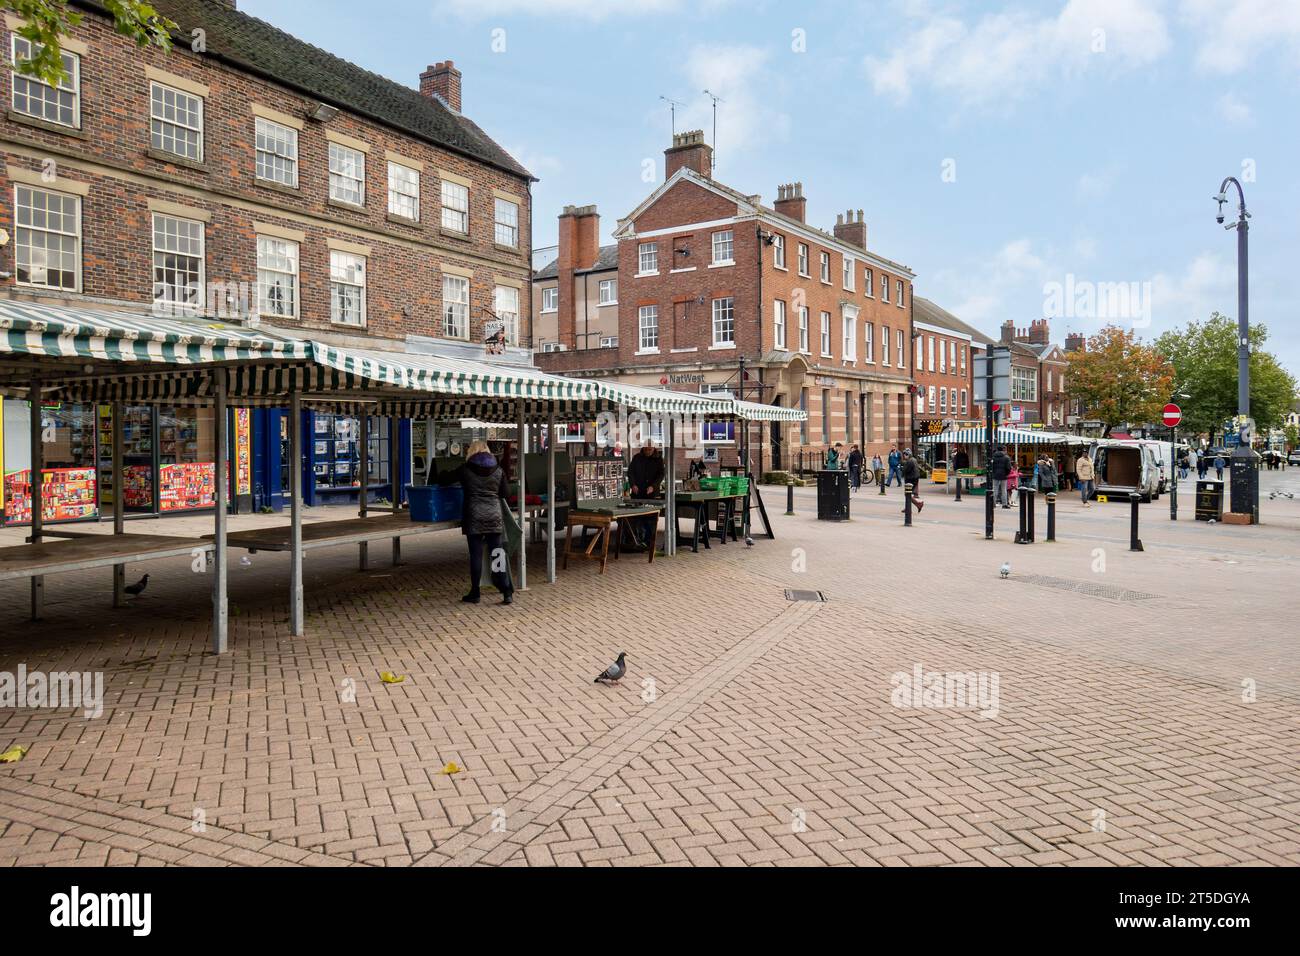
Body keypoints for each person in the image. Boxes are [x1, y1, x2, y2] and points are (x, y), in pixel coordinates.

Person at [440, 440, 513, 605]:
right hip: (494, 515)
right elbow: (506, 493)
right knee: (497, 554)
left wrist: (441, 472)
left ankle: (475, 592)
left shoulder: (465, 469)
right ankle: (506, 591)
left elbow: (444, 479)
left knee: (476, 555)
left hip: (473, 515)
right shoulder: (498, 469)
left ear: (471, 452)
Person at [627, 440, 665, 550]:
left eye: (650, 449)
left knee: (650, 519)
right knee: (637, 518)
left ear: (654, 449)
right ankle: (637, 541)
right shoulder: (637, 458)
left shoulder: (658, 459)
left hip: (652, 494)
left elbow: (661, 474)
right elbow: (630, 472)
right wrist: (633, 484)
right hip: (638, 493)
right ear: (643, 448)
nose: (648, 451)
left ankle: (649, 542)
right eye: (646, 449)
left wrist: (653, 486)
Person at [900, 449, 924, 513]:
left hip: (911, 479)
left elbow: (905, 470)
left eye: (905, 454)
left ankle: (918, 504)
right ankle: (908, 507)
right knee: (908, 494)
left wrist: (902, 468)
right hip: (914, 479)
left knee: (907, 494)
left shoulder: (909, 461)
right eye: (904, 454)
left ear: (908, 454)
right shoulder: (914, 459)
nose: (904, 456)